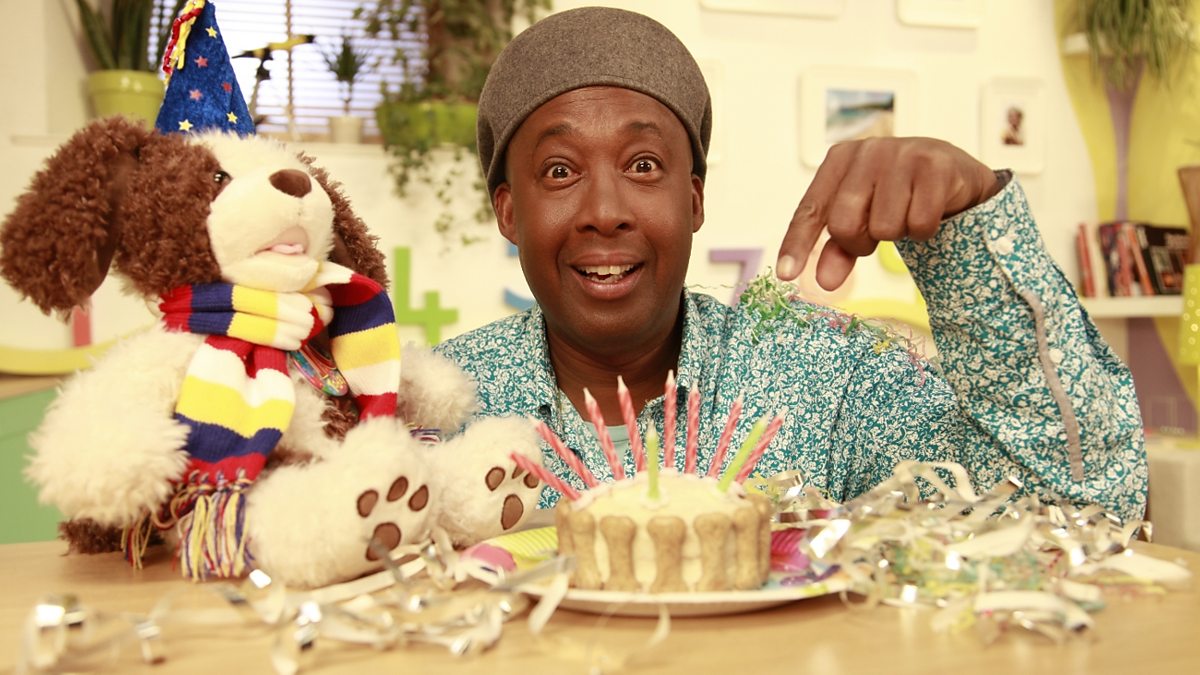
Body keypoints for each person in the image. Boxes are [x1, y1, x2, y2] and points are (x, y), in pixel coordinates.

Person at [435, 7, 1146, 522]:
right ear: (509, 212)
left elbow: (1083, 507)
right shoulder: (438, 407)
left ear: (693, 199)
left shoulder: (826, 379)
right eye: (559, 171)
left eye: (643, 164)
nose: (605, 210)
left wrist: (970, 237)